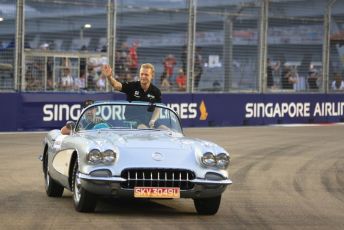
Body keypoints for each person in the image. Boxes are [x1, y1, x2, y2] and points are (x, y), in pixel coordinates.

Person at [102, 63, 161, 128]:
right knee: (143, 128)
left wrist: (153, 120)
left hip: (149, 121)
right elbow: (116, 86)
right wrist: (109, 77)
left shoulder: (156, 91)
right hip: (133, 121)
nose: (143, 76)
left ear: (152, 76)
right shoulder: (132, 86)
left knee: (164, 129)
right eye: (142, 74)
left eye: (146, 75)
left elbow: (157, 109)